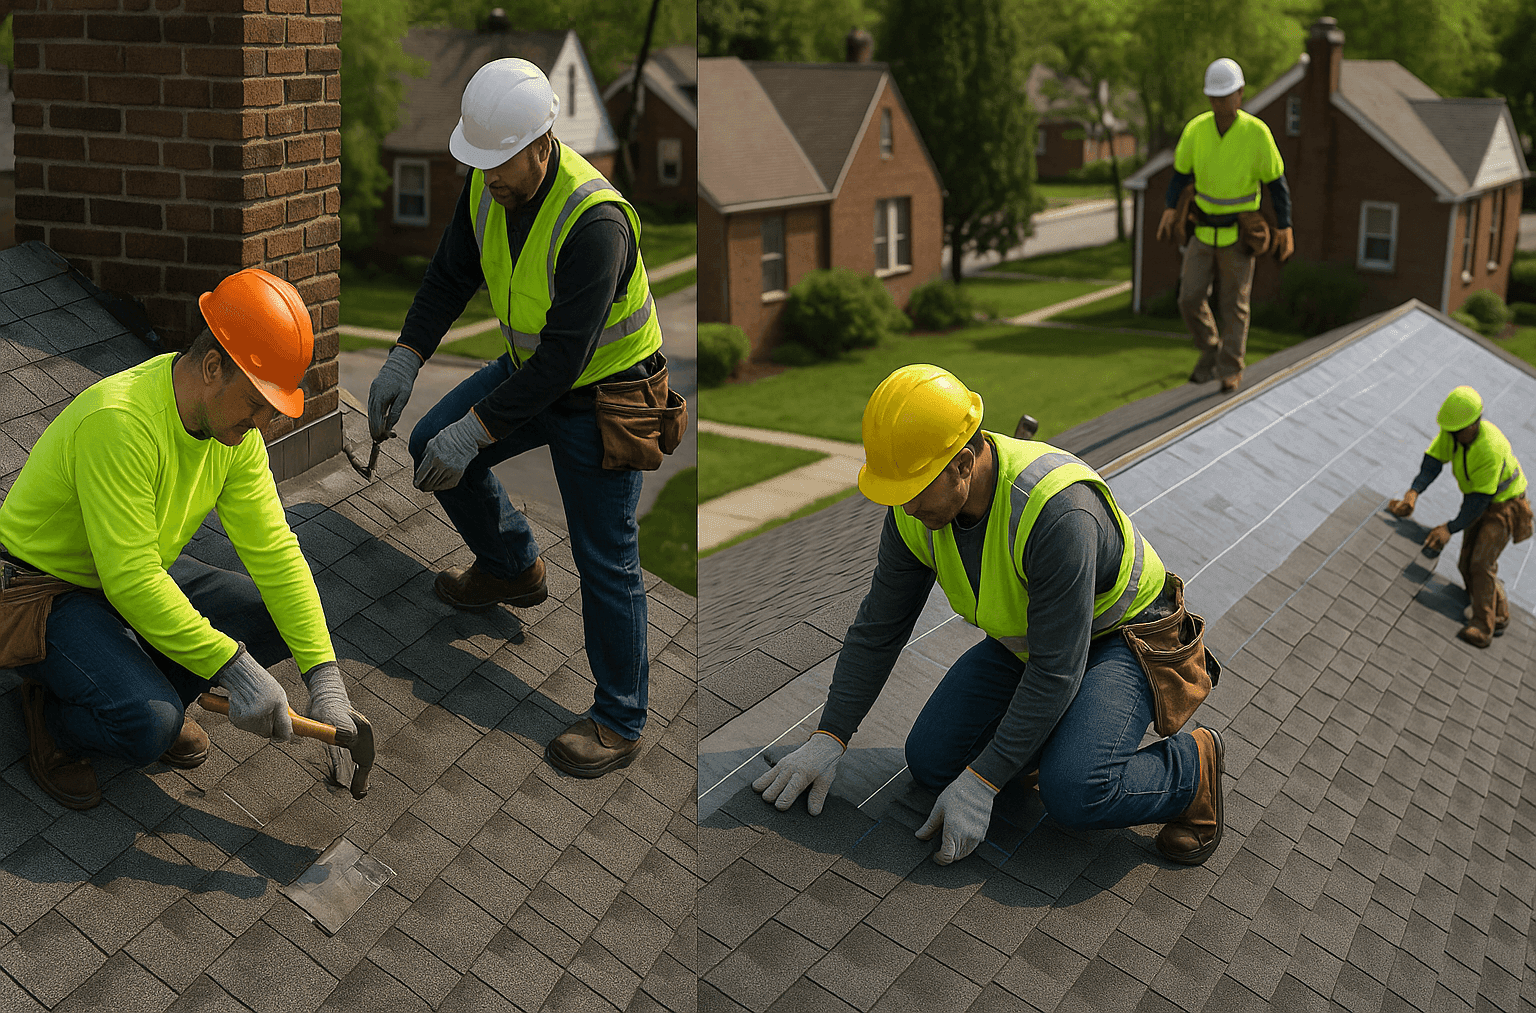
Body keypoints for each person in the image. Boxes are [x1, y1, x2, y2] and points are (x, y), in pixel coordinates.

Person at [753, 365, 1227, 866]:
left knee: (1075, 791)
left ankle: (1191, 771)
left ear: (962, 464)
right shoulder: (913, 510)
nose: (906, 506)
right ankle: (1054, 734)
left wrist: (984, 781)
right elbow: (878, 629)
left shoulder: (1058, 513)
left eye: (914, 488)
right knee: (934, 761)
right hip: (1034, 644)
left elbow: (1055, 670)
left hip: (1123, 639)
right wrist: (831, 735)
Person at [367, 58, 682, 779]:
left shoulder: (594, 222)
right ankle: (513, 567)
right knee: (429, 442)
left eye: (501, 161)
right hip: (533, 371)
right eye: (480, 161)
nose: (490, 176)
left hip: (606, 393)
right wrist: (405, 356)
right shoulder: (486, 186)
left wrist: (476, 428)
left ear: (543, 142)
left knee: (605, 556)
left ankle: (621, 718)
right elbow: (451, 273)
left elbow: (565, 360)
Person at [0, 269, 355, 811]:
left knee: (271, 616)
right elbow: (133, 580)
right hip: (44, 588)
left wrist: (324, 677)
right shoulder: (121, 423)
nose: (263, 421)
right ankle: (56, 725)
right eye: (258, 402)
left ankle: (138, 692)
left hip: (124, 569)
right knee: (149, 726)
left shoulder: (231, 434)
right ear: (213, 367)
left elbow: (276, 551)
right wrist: (233, 669)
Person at [1156, 57, 1294, 394]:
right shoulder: (1196, 130)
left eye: (1226, 96)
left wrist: (1285, 226)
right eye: (1214, 97)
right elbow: (1180, 176)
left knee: (1234, 304)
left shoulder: (1256, 133)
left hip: (1238, 236)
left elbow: (1277, 185)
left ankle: (1230, 368)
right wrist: (1170, 208)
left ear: (1240, 94)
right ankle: (1212, 349)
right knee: (1189, 298)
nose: (1219, 103)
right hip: (1203, 232)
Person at [1387, 386, 1530, 647]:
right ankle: (1499, 612)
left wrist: (1448, 528)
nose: (1453, 436)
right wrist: (1413, 493)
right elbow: (1432, 463)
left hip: (1504, 506)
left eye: (1459, 431)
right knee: (1466, 564)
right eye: (1451, 431)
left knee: (1481, 564)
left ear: (1475, 423)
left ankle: (1483, 627)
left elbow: (1478, 503)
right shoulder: (1454, 433)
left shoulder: (1490, 447)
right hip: (1479, 499)